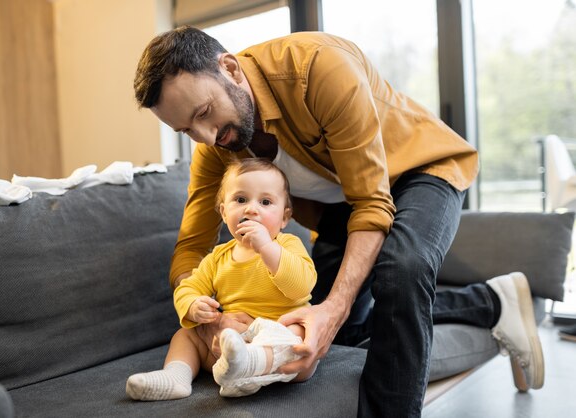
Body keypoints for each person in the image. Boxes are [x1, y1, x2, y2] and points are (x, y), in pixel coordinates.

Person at [133, 26, 545, 416]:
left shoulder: (318, 68)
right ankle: (493, 302)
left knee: (401, 268)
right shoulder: (215, 146)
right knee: (322, 329)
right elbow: (190, 248)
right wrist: (205, 321)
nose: (206, 137)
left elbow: (372, 202)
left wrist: (334, 308)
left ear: (230, 69)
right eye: (187, 130)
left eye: (205, 112)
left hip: (419, 171)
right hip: (346, 201)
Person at [126, 158, 318, 400]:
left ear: (284, 218)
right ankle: (176, 377)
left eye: (266, 202)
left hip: (281, 352)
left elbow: (301, 286)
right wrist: (193, 306)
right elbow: (189, 288)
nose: (251, 209)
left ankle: (251, 364)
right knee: (186, 335)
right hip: (227, 348)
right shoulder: (217, 258)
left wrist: (267, 248)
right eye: (240, 200)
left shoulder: (287, 245)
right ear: (224, 211)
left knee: (298, 332)